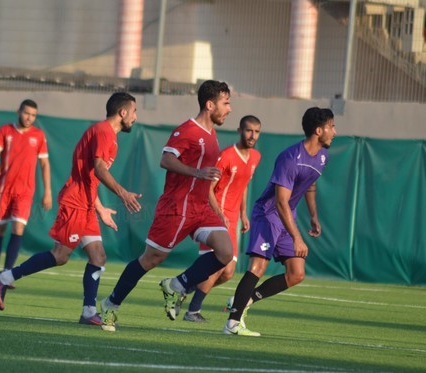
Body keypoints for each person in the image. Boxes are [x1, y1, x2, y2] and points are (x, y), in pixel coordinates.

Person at [0, 92, 142, 326]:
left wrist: (99, 207)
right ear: (122, 112)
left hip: (86, 203)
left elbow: (89, 176)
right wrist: (123, 193)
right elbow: (100, 170)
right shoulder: (104, 132)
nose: (135, 116)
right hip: (75, 202)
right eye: (134, 111)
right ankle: (4, 277)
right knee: (60, 256)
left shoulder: (108, 136)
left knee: (98, 256)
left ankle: (88, 312)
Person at [99, 80, 233, 332]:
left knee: (225, 253)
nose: (229, 109)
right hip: (175, 207)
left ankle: (177, 286)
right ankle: (110, 304)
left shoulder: (212, 135)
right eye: (226, 103)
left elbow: (206, 180)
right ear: (209, 104)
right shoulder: (188, 130)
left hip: (200, 209)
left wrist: (217, 211)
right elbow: (166, 159)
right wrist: (196, 172)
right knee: (150, 259)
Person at [223, 107, 335, 336]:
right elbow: (281, 202)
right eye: (331, 127)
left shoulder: (323, 156)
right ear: (318, 130)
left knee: (296, 273)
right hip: (268, 213)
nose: (334, 131)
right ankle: (232, 323)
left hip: (287, 214)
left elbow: (310, 183)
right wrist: (297, 237)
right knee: (258, 266)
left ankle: (243, 300)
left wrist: (313, 215)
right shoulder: (290, 157)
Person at [177, 115, 262, 323]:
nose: (252, 135)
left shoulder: (255, 157)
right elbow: (208, 189)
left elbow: (243, 186)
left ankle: (183, 288)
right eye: (249, 130)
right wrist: (219, 214)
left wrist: (243, 213)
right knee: (217, 267)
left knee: (228, 273)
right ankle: (193, 311)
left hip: (233, 219)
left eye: (256, 131)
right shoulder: (226, 156)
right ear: (239, 130)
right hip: (215, 217)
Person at [0, 99, 52, 288]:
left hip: (25, 192)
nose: (29, 117)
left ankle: (7, 276)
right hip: (4, 189)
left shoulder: (38, 136)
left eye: (33, 115)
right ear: (18, 111)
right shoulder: (5, 131)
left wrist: (47, 191)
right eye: (26, 113)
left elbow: (45, 164)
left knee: (18, 229)